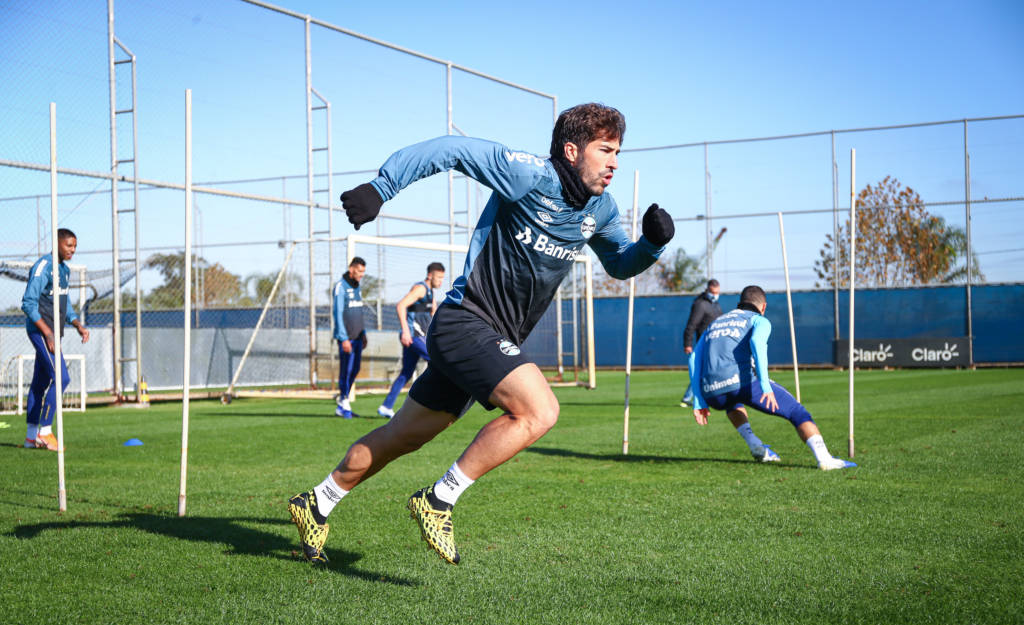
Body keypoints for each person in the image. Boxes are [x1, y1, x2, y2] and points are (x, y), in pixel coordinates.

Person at [289, 102, 674, 566]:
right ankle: (439, 500)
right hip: (465, 320)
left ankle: (318, 501)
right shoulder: (528, 175)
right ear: (572, 151)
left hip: (489, 337)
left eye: (617, 153)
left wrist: (651, 245)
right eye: (605, 151)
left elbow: (619, 263)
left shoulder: (601, 209)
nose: (614, 163)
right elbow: (451, 149)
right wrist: (381, 187)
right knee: (540, 410)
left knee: (403, 436)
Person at [688, 284, 856, 471]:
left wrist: (698, 401)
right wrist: (765, 385)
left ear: (740, 303)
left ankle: (756, 446)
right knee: (797, 412)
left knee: (732, 403)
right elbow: (756, 342)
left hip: (713, 394)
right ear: (763, 307)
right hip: (743, 384)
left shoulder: (715, 323)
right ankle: (825, 459)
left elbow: (694, 359)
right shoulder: (759, 320)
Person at [20, 228, 89, 450]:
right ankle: (45, 431)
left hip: (54, 333)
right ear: (57, 243)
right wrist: (47, 333)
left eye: (75, 246)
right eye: (69, 245)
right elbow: (28, 303)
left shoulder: (64, 271)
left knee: (39, 384)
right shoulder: (43, 267)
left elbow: (64, 304)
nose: (73, 250)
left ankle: (31, 438)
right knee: (61, 378)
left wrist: (77, 324)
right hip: (40, 332)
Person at [377, 262, 446, 419]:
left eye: (443, 277)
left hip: (419, 335)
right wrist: (406, 331)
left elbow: (433, 313)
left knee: (406, 372)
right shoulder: (420, 289)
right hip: (413, 336)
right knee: (437, 362)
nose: (441, 281)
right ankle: (432, 403)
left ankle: (386, 406)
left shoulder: (430, 292)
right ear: (430, 275)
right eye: (439, 277)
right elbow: (401, 306)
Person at [333, 257, 367, 418]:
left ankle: (343, 400)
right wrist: (343, 338)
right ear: (351, 269)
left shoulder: (357, 287)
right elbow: (337, 313)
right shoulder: (340, 286)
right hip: (347, 338)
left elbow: (359, 312)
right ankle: (344, 402)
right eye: (359, 271)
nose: (362, 274)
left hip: (358, 337)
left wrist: (364, 333)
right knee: (346, 370)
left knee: (355, 369)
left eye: (363, 272)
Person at [681, 278, 722, 406]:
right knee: (703, 372)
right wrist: (688, 344)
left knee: (706, 371)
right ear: (707, 290)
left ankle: (691, 397)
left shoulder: (715, 304)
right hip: (705, 344)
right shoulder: (700, 304)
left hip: (716, 344)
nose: (715, 295)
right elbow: (691, 325)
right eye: (713, 292)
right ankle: (690, 397)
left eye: (717, 292)